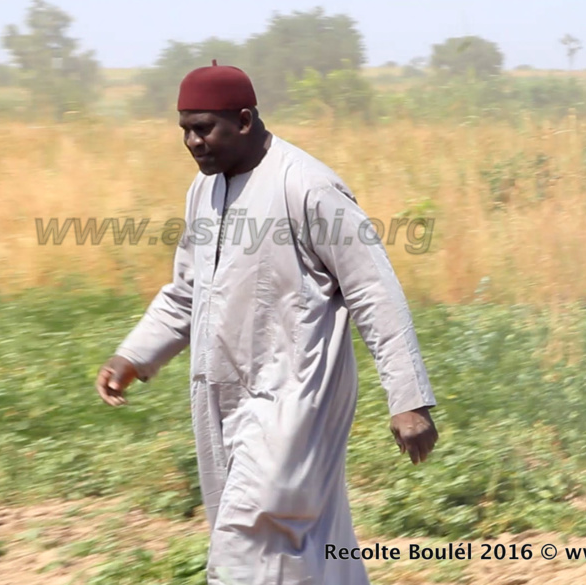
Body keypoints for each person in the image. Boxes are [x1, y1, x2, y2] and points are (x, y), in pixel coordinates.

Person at [95, 60, 438, 585]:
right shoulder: (204, 192)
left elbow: (374, 291)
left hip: (296, 393)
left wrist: (408, 398)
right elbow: (188, 290)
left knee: (253, 532)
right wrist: (133, 356)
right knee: (307, 540)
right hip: (220, 394)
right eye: (184, 128)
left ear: (246, 120)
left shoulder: (307, 186)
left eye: (203, 127)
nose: (191, 141)